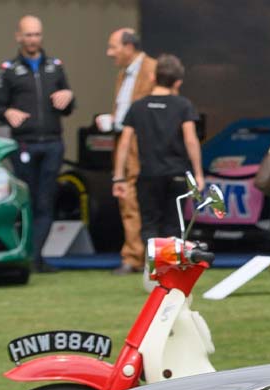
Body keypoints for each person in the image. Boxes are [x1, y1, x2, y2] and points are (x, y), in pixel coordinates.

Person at [0, 15, 75, 273]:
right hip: (24, 145)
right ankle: (23, 255)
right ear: (18, 36)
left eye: (37, 34)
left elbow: (68, 107)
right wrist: (7, 113)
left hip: (52, 143)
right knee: (25, 201)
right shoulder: (9, 69)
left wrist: (69, 96)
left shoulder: (55, 66)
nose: (33, 39)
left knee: (45, 201)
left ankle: (36, 258)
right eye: (28, 35)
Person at [111, 55, 204, 245]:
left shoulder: (138, 107)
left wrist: (119, 176)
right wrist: (198, 174)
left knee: (149, 225)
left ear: (153, 77)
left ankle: (152, 269)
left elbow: (124, 142)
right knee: (174, 225)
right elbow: (191, 140)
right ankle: (170, 271)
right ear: (178, 82)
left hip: (148, 174)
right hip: (177, 174)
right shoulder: (183, 106)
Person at [106, 28, 156, 275]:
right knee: (127, 199)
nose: (109, 53)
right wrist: (113, 120)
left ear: (128, 47)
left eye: (113, 47)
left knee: (146, 202)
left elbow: (163, 109)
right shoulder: (122, 75)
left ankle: (143, 256)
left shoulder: (153, 70)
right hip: (125, 145)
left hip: (146, 148)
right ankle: (133, 255)